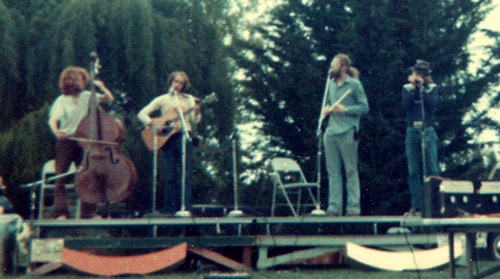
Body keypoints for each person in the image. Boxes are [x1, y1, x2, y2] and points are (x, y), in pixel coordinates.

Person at [48, 66, 114, 219]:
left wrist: (102, 87)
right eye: (79, 79)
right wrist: (57, 132)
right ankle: (61, 213)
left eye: (83, 79)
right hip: (67, 141)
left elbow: (109, 99)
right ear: (70, 81)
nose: (82, 82)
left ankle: (89, 212)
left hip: (84, 141)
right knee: (60, 177)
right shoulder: (62, 100)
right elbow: (52, 119)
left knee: (88, 177)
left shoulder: (87, 96)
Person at [138, 71, 201, 215]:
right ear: (171, 82)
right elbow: (141, 113)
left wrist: (197, 112)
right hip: (168, 139)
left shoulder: (189, 100)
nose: (177, 85)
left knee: (186, 174)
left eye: (181, 83)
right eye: (175, 82)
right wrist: (153, 124)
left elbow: (194, 120)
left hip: (185, 137)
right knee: (171, 174)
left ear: (184, 85)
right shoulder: (162, 99)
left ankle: (185, 208)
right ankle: (169, 209)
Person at [322, 54, 369, 217]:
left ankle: (353, 208)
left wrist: (346, 110)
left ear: (342, 67)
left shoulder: (354, 84)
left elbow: (364, 107)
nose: (331, 68)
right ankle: (334, 207)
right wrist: (327, 109)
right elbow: (327, 104)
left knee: (350, 170)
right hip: (331, 131)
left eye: (334, 65)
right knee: (333, 172)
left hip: (348, 131)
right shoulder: (330, 84)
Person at [401, 59, 439, 216]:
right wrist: (414, 89)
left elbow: (431, 105)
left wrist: (421, 88)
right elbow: (405, 105)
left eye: (420, 74)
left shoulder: (432, 88)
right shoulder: (406, 88)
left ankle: (436, 204)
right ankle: (417, 205)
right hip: (412, 130)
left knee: (432, 168)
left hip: (427, 129)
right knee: (413, 170)